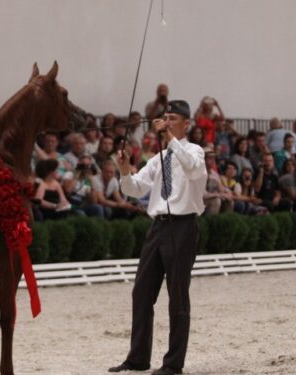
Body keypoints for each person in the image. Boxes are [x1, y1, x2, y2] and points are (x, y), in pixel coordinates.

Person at [110, 100, 207, 375]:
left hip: (183, 226)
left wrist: (171, 139)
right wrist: (125, 169)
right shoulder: (159, 158)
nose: (167, 122)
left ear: (186, 123)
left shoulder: (194, 151)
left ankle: (173, 364)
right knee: (141, 292)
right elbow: (134, 187)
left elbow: (191, 168)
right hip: (158, 227)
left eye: (173, 118)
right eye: (165, 118)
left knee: (177, 296)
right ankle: (137, 359)